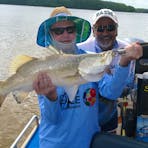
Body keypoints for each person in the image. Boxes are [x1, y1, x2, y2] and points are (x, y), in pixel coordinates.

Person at [33, 6, 143, 148]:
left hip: (88, 141)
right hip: (55, 143)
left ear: (76, 32)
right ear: (50, 35)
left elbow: (111, 92)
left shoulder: (91, 59)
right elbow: (52, 119)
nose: (65, 34)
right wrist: (51, 97)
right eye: (58, 31)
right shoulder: (43, 68)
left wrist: (124, 62)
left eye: (70, 29)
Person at [78, 8, 136, 133]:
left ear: (116, 30)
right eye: (100, 28)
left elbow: (128, 83)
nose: (105, 33)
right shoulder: (80, 50)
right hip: (84, 113)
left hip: (110, 112)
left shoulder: (126, 50)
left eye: (110, 28)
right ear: (93, 31)